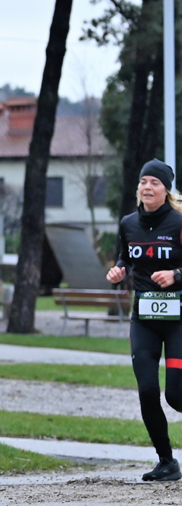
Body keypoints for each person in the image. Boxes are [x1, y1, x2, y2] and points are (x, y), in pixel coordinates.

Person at [106, 159, 182, 482]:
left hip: (178, 321)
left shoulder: (178, 223)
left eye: (154, 182)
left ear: (166, 190)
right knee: (148, 390)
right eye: (143, 182)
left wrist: (176, 274)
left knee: (176, 396)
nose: (147, 187)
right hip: (144, 320)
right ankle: (167, 462)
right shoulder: (128, 224)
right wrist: (118, 270)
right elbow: (125, 257)